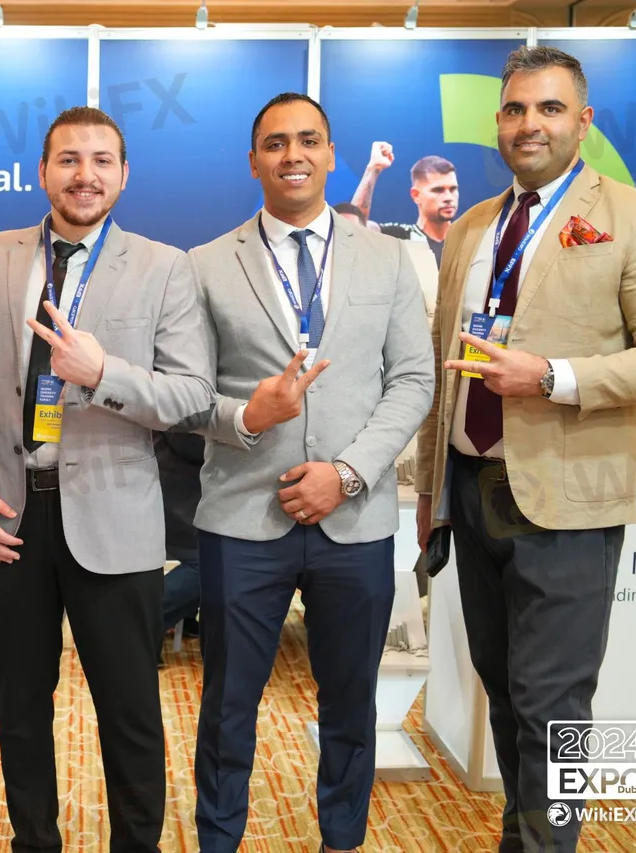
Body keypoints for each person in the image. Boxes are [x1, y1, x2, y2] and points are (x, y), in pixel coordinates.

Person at [415, 46, 636, 853]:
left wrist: (553, 377)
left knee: (553, 704)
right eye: (514, 109)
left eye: (548, 108)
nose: (528, 124)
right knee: (505, 694)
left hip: (566, 500)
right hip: (473, 489)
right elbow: (442, 366)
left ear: (584, 121)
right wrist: (433, 494)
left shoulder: (635, 213)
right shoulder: (472, 226)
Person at [0, 106, 215, 853]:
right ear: (42, 172)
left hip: (114, 520)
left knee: (130, 712)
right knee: (19, 707)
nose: (84, 175)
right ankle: (35, 841)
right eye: (68, 159)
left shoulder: (163, 267)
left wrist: (102, 375)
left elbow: (193, 395)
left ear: (124, 175)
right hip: (5, 517)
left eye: (101, 161)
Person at [187, 92, 434, 853]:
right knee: (228, 707)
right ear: (253, 160)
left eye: (308, 141)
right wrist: (248, 416)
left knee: (352, 705)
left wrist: (349, 473)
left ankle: (342, 840)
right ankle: (219, 840)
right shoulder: (205, 264)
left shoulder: (387, 256)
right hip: (242, 520)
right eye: (275, 143)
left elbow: (413, 380)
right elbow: (189, 395)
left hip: (354, 522)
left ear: (330, 154)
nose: (292, 155)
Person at [352, 142, 459, 266]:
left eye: (453, 189)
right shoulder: (400, 239)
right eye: (438, 190)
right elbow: (353, 229)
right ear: (416, 195)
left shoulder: (469, 242)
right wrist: (373, 168)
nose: (448, 197)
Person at [155, 430, 204, 656]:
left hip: (185, 486)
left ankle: (183, 614)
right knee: (211, 563)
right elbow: (190, 443)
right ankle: (145, 624)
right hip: (174, 491)